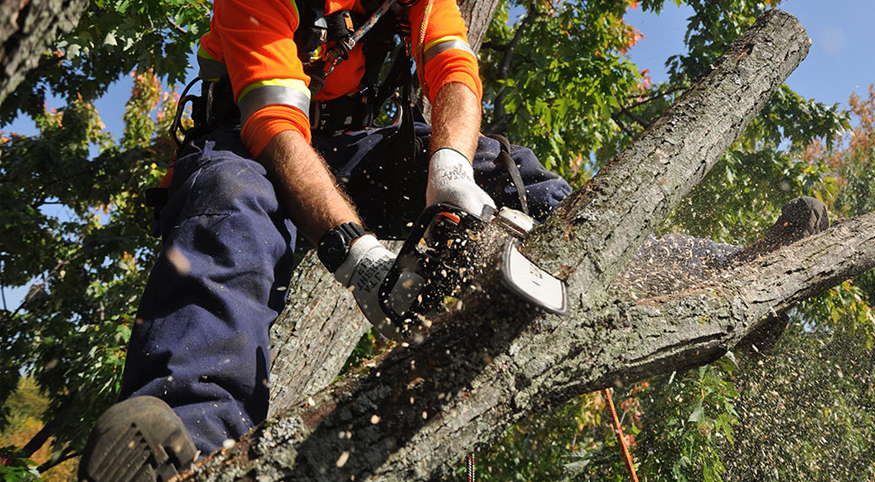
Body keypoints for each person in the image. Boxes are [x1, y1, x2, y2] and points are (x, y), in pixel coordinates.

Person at [78, 0, 572, 480]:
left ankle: (577, 259)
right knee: (230, 199)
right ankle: (188, 435)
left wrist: (452, 172)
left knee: (510, 173)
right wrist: (357, 253)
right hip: (252, 144)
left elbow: (456, 73)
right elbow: (275, 125)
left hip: (344, 147)